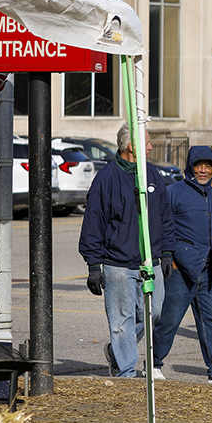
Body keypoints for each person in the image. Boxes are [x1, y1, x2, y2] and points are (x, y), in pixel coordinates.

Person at [78, 123, 174, 378]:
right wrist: (93, 266)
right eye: (147, 142)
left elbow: (165, 216)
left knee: (154, 313)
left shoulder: (152, 175)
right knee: (121, 321)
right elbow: (93, 222)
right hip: (117, 263)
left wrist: (166, 252)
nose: (152, 146)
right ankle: (126, 371)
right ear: (132, 146)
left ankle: (116, 351)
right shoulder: (106, 179)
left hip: (149, 261)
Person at [152, 146, 212, 385]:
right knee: (169, 321)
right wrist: (168, 258)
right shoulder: (173, 193)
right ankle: (154, 364)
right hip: (180, 271)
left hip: (209, 273)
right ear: (190, 167)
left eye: (208, 166)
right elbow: (161, 228)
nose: (204, 170)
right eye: (199, 165)